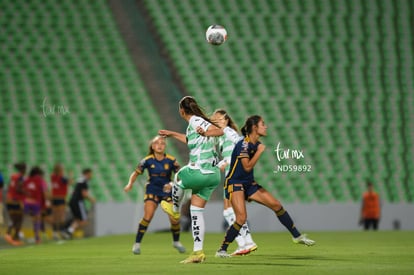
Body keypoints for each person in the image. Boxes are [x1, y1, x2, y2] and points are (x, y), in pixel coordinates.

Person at [216, 115, 315, 258]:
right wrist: (259, 152)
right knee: (241, 218)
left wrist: (258, 149)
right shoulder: (244, 144)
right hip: (235, 183)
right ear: (255, 128)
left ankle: (297, 236)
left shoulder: (256, 144)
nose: (266, 126)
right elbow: (247, 167)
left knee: (276, 205)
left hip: (249, 184)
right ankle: (222, 250)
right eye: (263, 124)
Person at [159, 96, 223, 263]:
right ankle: (198, 252)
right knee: (196, 212)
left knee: (180, 175)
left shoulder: (195, 120)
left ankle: (174, 209)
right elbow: (190, 139)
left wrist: (207, 131)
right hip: (213, 175)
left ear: (181, 111)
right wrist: (172, 134)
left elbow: (219, 131)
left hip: (202, 170)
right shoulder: (194, 125)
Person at [124, 135, 185, 255]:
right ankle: (137, 244)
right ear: (153, 146)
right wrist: (129, 184)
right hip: (152, 190)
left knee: (174, 219)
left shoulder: (171, 160)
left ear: (165, 146)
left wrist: (172, 184)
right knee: (148, 216)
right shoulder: (147, 160)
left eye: (162, 143)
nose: (160, 145)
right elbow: (135, 173)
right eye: (157, 143)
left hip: (167, 191)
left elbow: (181, 175)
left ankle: (176, 242)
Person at [211, 109, 256, 256]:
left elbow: (240, 147)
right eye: (215, 119)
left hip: (234, 173)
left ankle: (245, 243)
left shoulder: (228, 132)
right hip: (232, 172)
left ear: (226, 120)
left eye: (220, 119)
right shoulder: (222, 136)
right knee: (232, 210)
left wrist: (226, 161)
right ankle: (246, 242)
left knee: (229, 210)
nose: (217, 121)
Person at [63, 168, 95, 238]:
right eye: (90, 174)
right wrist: (91, 199)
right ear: (87, 174)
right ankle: (68, 230)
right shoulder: (84, 181)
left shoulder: (79, 180)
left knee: (77, 219)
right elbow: (84, 194)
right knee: (84, 220)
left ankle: (68, 232)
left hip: (72, 201)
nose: (91, 176)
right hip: (78, 202)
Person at [22, 166, 49, 244]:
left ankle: (19, 234)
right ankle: (37, 237)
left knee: (21, 218)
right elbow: (44, 192)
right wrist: (47, 201)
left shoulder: (26, 180)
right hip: (36, 202)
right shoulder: (40, 180)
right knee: (37, 219)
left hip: (26, 201)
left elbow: (22, 190)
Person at [5, 162, 26, 246]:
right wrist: (27, 192)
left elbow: (10, 187)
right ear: (23, 169)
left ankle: (9, 234)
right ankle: (14, 237)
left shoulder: (13, 176)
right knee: (19, 219)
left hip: (9, 200)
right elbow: (18, 188)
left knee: (14, 219)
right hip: (16, 200)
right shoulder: (20, 177)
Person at [50, 163, 72, 239]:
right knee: (61, 216)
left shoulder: (52, 176)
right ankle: (62, 232)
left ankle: (54, 233)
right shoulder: (62, 178)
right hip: (61, 198)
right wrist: (70, 175)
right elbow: (70, 182)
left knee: (55, 217)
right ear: (60, 170)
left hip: (54, 198)